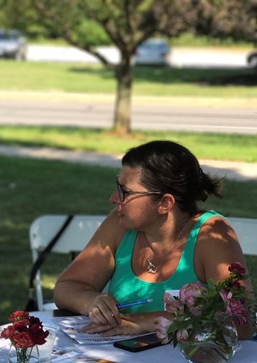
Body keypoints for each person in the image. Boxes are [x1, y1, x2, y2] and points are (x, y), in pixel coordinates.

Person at [54, 140, 253, 341]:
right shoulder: (120, 223)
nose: (114, 198)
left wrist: (147, 322)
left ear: (165, 203)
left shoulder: (211, 234)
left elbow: (241, 322)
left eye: (126, 192)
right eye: (118, 187)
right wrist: (92, 301)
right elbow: (67, 286)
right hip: (125, 362)